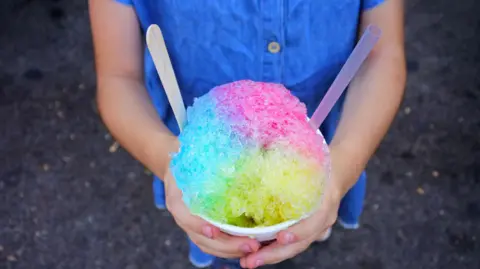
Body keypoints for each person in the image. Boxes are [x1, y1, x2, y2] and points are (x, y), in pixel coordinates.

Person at [88, 0, 405, 268]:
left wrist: (342, 166)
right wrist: (168, 161)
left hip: (329, 144)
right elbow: (119, 77)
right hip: (201, 162)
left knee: (304, 234)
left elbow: (381, 53)